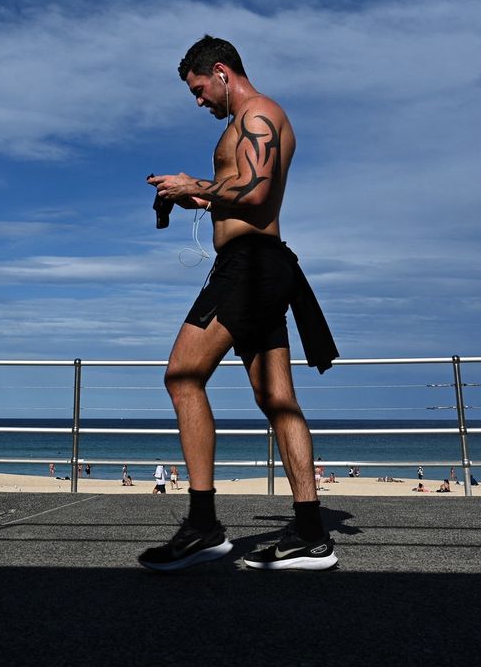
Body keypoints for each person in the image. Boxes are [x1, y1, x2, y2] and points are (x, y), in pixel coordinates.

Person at [138, 36, 339, 573]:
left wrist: (193, 182)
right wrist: (190, 199)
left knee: (182, 375)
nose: (199, 102)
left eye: (200, 91)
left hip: (249, 265)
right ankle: (313, 535)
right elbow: (236, 194)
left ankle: (203, 526)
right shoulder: (241, 124)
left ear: (222, 72)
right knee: (277, 399)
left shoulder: (260, 115)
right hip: (257, 265)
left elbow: (254, 192)